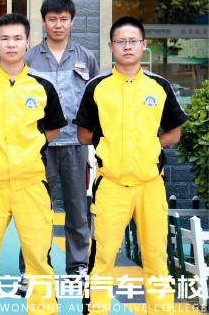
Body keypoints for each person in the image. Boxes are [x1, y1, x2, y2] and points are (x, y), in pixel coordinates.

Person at [75, 17, 187, 315]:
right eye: (121, 42)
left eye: (133, 41)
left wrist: (147, 145)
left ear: (143, 45)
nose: (127, 46)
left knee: (156, 257)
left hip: (151, 185)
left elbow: (174, 134)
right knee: (102, 257)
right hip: (111, 185)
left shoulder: (159, 86)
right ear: (110, 46)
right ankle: (96, 310)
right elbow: (84, 134)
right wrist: (112, 144)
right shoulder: (97, 86)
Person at [0, 13, 66, 315]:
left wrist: (30, 149)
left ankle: (43, 310)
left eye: (17, 38)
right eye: (5, 38)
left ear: (28, 43)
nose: (11, 44)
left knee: (38, 258)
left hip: (31, 184)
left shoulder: (42, 86)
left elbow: (53, 129)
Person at [18, 0, 99, 287]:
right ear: (43, 22)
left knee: (77, 208)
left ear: (72, 22)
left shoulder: (86, 56)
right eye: (52, 19)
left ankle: (77, 266)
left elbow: (94, 97)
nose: (58, 25)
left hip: (76, 145)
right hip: (39, 145)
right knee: (35, 210)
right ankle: (32, 267)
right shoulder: (29, 57)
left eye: (64, 19)